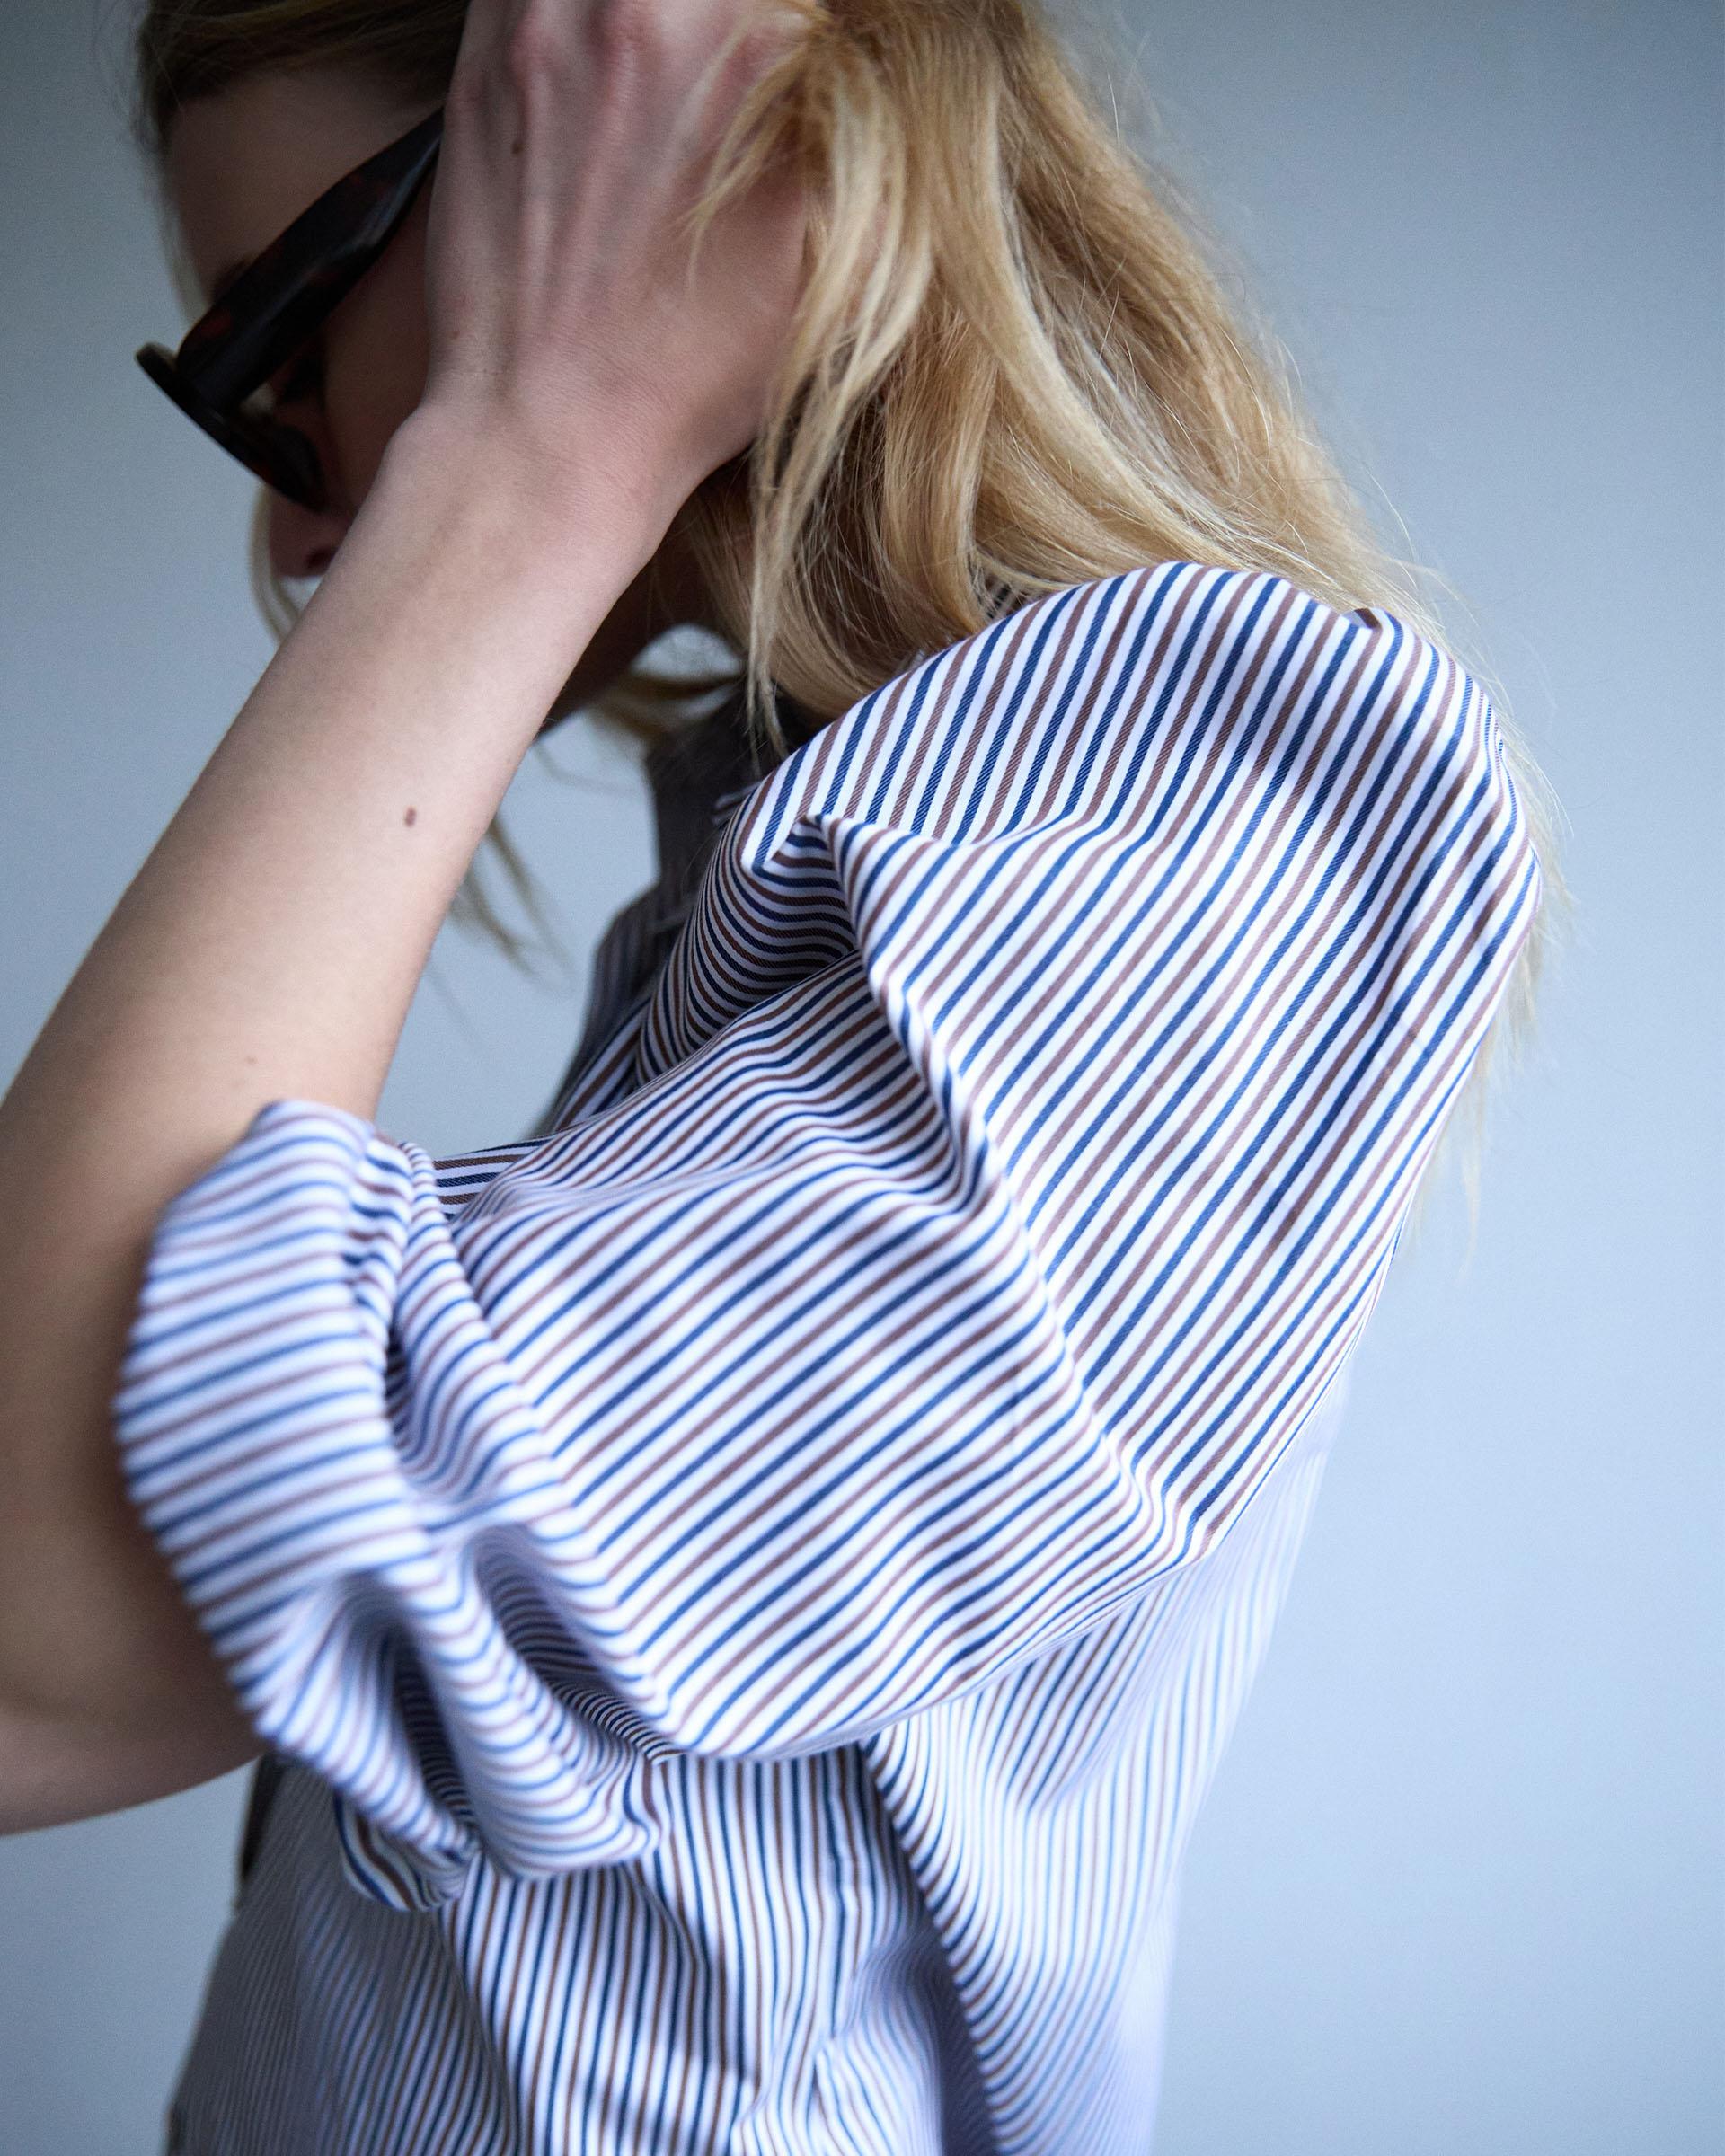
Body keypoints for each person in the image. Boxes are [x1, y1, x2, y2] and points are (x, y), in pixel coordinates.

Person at [0, 1, 1562, 2150]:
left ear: (628, 131)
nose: (293, 532)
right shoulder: (821, 851)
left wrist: (524, 451)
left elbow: (33, 1632)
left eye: (281, 352)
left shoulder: (1206, 807)